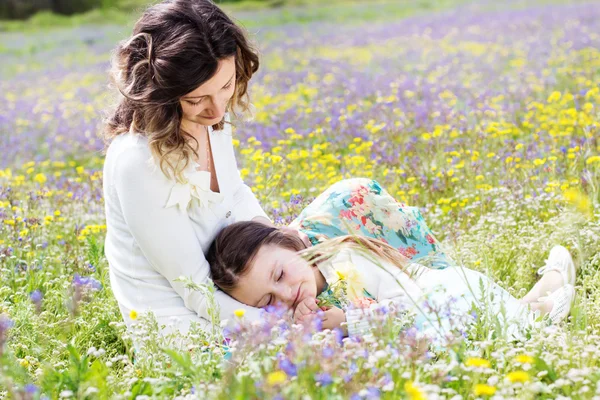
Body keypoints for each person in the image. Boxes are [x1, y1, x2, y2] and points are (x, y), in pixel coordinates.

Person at [101, 0, 446, 335]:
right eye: (196, 99)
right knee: (319, 347)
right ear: (161, 94)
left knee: (352, 199)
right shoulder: (137, 160)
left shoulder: (211, 123)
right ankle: (394, 316)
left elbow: (235, 194)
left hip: (246, 279)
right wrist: (285, 323)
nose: (217, 110)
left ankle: (437, 286)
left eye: (225, 86)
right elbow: (195, 289)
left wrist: (280, 242)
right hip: (196, 318)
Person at [207, 220, 577, 342]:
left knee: (461, 309)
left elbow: (414, 307)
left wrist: (347, 322)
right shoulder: (296, 315)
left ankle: (540, 310)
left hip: (438, 297)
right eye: (267, 302)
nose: (286, 295)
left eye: (280, 275)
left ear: (290, 243)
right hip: (422, 332)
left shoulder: (348, 261)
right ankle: (537, 300)